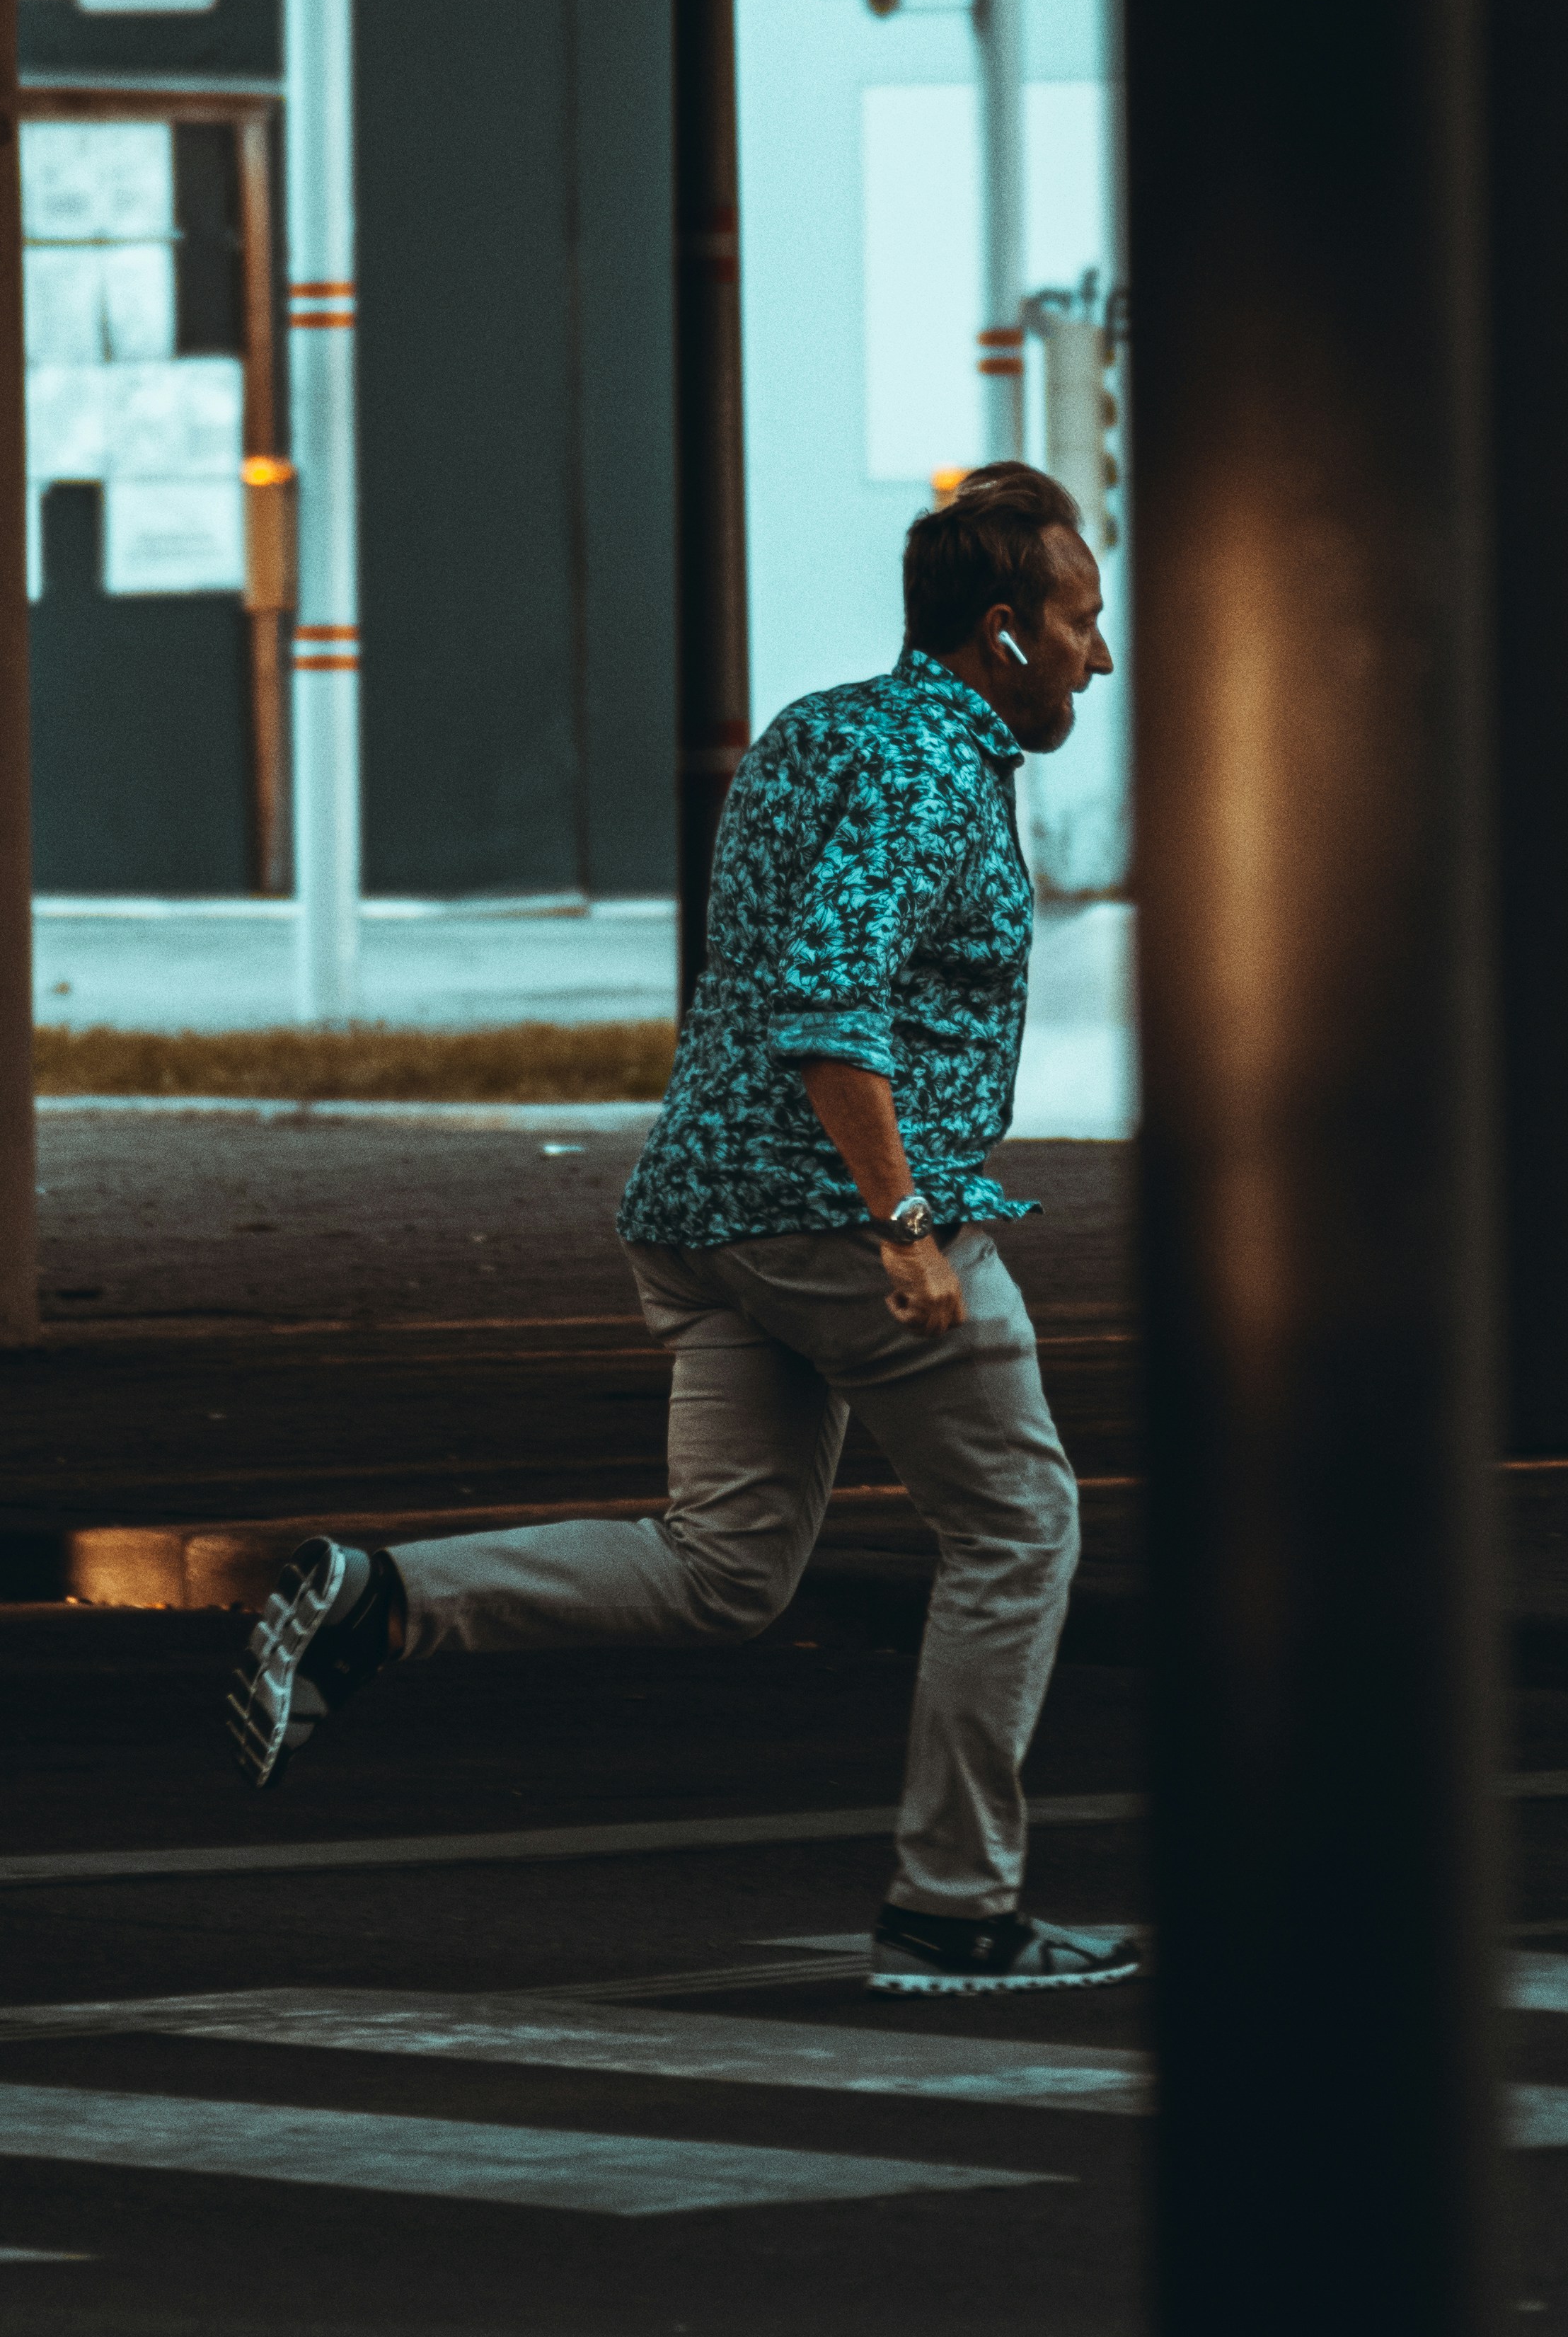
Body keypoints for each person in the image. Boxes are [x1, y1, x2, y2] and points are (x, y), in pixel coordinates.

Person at [223, 458, 1134, 1999]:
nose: (1095, 658)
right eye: (1081, 623)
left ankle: (381, 1603)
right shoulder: (927, 772)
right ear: (1001, 632)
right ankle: (951, 1908)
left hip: (703, 1215)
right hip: (836, 1218)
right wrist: (904, 1224)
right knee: (1019, 1527)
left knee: (726, 1566)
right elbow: (829, 1006)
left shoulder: (819, 729)